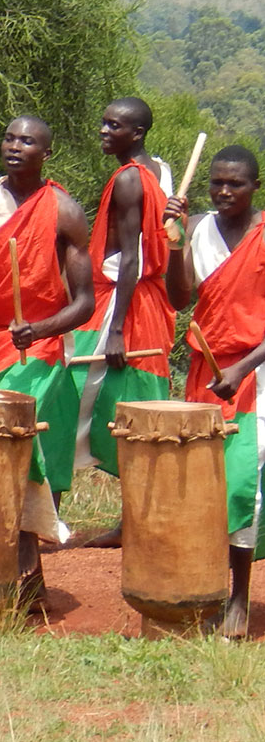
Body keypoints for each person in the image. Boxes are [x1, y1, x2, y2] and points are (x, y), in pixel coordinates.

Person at [0, 117, 94, 584]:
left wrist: (39, 328)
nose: (15, 147)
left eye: (27, 141)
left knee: (20, 438)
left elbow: (84, 302)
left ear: (46, 154)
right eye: (10, 138)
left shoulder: (65, 212)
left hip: (40, 348)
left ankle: (26, 560)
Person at [165, 146, 265, 637]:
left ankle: (240, 599)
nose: (224, 192)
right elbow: (180, 297)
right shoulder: (199, 229)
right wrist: (174, 242)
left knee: (243, 480)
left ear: (255, 187)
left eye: (236, 184)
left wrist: (244, 368)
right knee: (204, 481)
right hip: (206, 370)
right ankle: (202, 589)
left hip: (254, 373)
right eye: (217, 183)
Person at [70, 98, 175, 480]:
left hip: (117, 301)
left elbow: (132, 256)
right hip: (146, 299)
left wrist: (115, 330)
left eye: (114, 126)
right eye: (104, 123)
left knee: (71, 396)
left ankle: (46, 514)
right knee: (132, 399)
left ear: (138, 134)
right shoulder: (161, 171)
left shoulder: (130, 178)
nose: (104, 130)